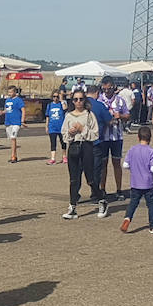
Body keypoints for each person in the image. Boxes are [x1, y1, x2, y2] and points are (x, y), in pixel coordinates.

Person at [60, 90, 102, 220]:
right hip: (73, 147)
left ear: (85, 100)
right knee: (74, 179)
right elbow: (64, 135)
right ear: (72, 101)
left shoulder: (89, 115)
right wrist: (71, 133)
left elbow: (95, 134)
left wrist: (82, 129)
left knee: (90, 178)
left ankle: (101, 200)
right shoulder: (68, 116)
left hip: (86, 147)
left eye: (81, 99)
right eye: (76, 99)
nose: (78, 102)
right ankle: (72, 207)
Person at [92, 76, 130, 200]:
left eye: (109, 89)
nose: (107, 91)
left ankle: (119, 190)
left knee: (116, 163)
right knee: (103, 164)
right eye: (105, 89)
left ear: (113, 87)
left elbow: (128, 115)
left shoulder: (120, 100)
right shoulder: (99, 100)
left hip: (116, 136)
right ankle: (102, 189)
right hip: (102, 137)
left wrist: (121, 116)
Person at [120, 126, 153, 233]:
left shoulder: (132, 149)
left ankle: (127, 218)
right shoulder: (151, 151)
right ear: (150, 138)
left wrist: (133, 168)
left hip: (135, 183)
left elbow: (125, 165)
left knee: (133, 203)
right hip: (148, 183)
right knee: (151, 205)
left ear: (138, 137)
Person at [3, 86, 26, 163]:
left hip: (16, 122)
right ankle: (15, 156)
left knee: (13, 137)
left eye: (11, 92)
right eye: (8, 92)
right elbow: (6, 109)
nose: (9, 94)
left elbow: (23, 110)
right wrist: (2, 112)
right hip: (8, 122)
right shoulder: (7, 100)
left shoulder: (18, 100)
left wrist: (22, 121)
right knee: (11, 139)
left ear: (15, 92)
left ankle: (13, 156)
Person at [45, 90, 66, 164]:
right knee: (53, 143)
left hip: (61, 126)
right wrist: (46, 126)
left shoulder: (62, 103)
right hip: (52, 127)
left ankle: (64, 157)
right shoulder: (50, 105)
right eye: (54, 96)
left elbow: (64, 108)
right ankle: (53, 158)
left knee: (63, 142)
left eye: (57, 96)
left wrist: (61, 99)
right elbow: (47, 116)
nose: (55, 98)